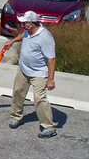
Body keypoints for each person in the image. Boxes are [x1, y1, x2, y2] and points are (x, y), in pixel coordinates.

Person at [6, 10, 57, 138]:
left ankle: (48, 127)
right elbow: (23, 35)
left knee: (39, 99)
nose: (22, 25)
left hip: (39, 73)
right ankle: (15, 117)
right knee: (18, 92)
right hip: (24, 69)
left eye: (24, 23)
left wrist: (51, 80)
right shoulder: (28, 32)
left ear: (32, 24)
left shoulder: (45, 37)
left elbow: (51, 59)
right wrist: (12, 41)